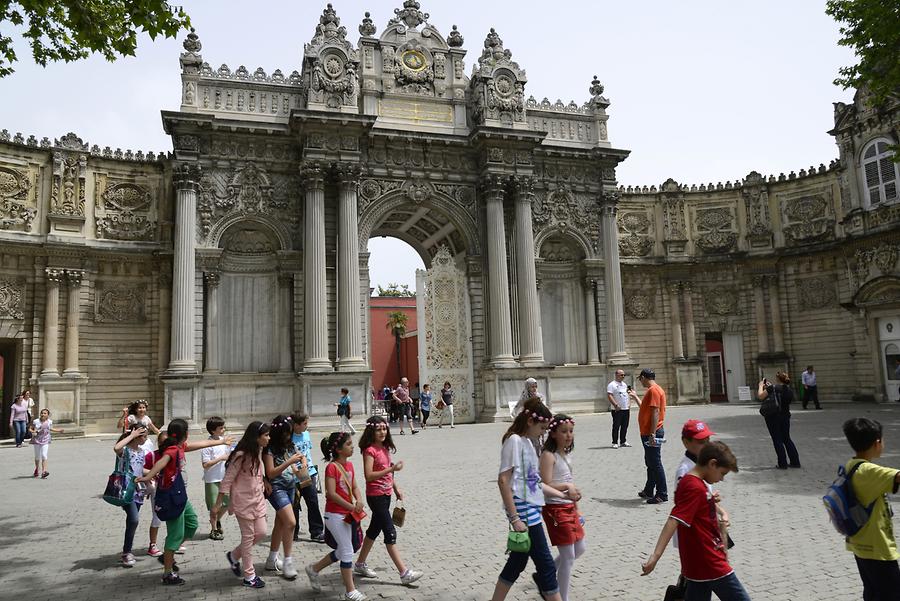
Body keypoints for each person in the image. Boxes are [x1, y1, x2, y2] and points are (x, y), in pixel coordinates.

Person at [641, 441, 750, 601]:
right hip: (710, 561)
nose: (721, 479)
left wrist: (710, 501)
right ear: (712, 464)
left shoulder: (692, 483)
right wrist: (655, 556)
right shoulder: (694, 487)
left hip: (696, 565)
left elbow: (694, 510)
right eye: (722, 473)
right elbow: (673, 520)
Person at [136, 418, 233, 585]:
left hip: (180, 494)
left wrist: (223, 441)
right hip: (171, 496)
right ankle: (167, 573)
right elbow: (162, 462)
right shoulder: (172, 450)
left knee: (192, 524)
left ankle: (169, 555)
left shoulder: (180, 446)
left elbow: (199, 445)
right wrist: (148, 476)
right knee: (175, 534)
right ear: (185, 434)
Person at [491, 399, 567, 601]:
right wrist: (515, 518)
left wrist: (562, 495)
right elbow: (503, 480)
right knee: (547, 566)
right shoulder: (514, 441)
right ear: (530, 421)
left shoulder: (527, 442)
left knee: (517, 563)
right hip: (524, 514)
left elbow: (533, 481)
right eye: (542, 427)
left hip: (531, 509)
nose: (543, 432)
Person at [353, 415, 424, 585]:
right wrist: (392, 469)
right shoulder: (369, 450)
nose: (383, 432)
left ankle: (360, 564)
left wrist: (395, 488)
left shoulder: (384, 448)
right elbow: (369, 476)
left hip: (386, 495)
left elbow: (387, 472)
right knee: (390, 532)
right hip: (375, 496)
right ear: (371, 431)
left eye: (384, 428)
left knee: (373, 531)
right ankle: (404, 573)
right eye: (379, 429)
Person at [665, 419, 729, 601]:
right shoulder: (685, 470)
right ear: (686, 442)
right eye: (700, 442)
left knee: (698, 581)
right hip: (694, 533)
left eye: (707, 440)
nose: (706, 445)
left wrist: (717, 506)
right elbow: (684, 505)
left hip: (706, 530)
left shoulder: (704, 463)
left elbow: (701, 497)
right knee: (697, 577)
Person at [841, 417, 900, 599]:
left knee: (873, 591)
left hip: (860, 544)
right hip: (879, 549)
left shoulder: (851, 465)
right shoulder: (869, 471)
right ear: (877, 443)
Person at [305, 431, 368, 601]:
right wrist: (351, 506)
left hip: (348, 514)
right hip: (334, 515)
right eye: (348, 444)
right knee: (347, 551)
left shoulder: (350, 466)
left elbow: (354, 487)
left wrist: (359, 500)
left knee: (343, 550)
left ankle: (314, 569)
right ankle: (350, 591)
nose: (352, 446)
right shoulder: (331, 467)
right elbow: (331, 494)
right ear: (339, 450)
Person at [219, 421, 272, 589]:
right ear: (256, 437)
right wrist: (218, 504)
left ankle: (234, 556)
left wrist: (264, 481)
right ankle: (249, 576)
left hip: (258, 500)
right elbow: (227, 479)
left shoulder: (258, 450)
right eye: (266, 435)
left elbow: (256, 472)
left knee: (262, 532)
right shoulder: (240, 455)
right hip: (243, 502)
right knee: (248, 539)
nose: (268, 438)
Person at [540, 414, 584, 601]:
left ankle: (545, 576)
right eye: (564, 431)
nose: (568, 435)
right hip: (555, 510)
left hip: (569, 507)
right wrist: (566, 488)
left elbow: (569, 481)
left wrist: (577, 507)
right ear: (553, 433)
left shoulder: (566, 455)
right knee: (568, 557)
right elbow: (545, 484)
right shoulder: (548, 456)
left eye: (571, 431)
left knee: (580, 548)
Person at [263, 415, 304, 580]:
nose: (289, 435)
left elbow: (297, 458)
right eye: (286, 432)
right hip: (277, 488)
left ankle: (272, 559)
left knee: (280, 523)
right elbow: (271, 472)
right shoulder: (269, 449)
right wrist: (290, 462)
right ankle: (288, 561)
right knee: (291, 522)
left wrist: (302, 462)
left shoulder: (289, 445)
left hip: (291, 486)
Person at [113, 425, 150, 567]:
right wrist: (131, 435)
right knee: (134, 520)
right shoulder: (126, 450)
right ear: (136, 436)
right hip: (125, 490)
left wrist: (154, 472)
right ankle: (127, 552)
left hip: (138, 490)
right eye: (144, 435)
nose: (146, 438)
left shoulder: (141, 451)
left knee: (131, 522)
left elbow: (140, 469)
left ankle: (126, 550)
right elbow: (116, 448)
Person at [632, 368, 668, 504]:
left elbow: (655, 413)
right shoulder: (656, 389)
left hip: (651, 432)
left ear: (643, 377)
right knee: (650, 462)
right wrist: (635, 397)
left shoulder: (653, 391)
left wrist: (652, 433)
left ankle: (662, 493)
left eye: (640, 379)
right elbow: (646, 409)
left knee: (655, 463)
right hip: (649, 431)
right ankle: (648, 490)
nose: (640, 382)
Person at [291, 413, 325, 543]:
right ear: (296, 425)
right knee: (294, 505)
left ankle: (316, 532)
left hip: (308, 473)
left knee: (313, 502)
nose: (307, 426)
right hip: (294, 476)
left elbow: (307, 453)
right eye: (304, 423)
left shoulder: (306, 434)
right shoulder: (289, 438)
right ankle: (293, 531)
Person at [757, 371, 801, 469]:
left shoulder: (772, 388)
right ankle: (795, 461)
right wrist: (770, 387)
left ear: (777, 379)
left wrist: (761, 386)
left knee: (777, 439)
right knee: (787, 438)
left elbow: (760, 396)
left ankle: (782, 463)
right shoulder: (789, 390)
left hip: (773, 416)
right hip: (785, 416)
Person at [200, 416, 230, 540]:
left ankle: (217, 520)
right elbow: (205, 464)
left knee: (227, 503)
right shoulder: (207, 445)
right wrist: (220, 459)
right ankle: (214, 529)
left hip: (225, 478)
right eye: (221, 428)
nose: (223, 430)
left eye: (223, 427)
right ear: (213, 431)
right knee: (214, 507)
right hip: (212, 479)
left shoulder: (225, 441)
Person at [145, 431, 168, 558]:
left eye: (166, 442)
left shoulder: (173, 455)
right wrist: (150, 478)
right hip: (157, 490)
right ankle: (152, 544)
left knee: (174, 516)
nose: (163, 445)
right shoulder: (151, 456)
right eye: (161, 442)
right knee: (157, 517)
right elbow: (143, 470)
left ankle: (174, 541)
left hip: (170, 490)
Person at [30, 408, 63, 478]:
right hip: (37, 440)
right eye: (42, 413)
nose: (43, 414)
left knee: (44, 455)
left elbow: (50, 428)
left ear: (48, 415)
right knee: (37, 456)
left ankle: (44, 471)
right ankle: (37, 469)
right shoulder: (36, 421)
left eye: (45, 413)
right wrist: (33, 432)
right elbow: (30, 428)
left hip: (45, 440)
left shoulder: (49, 422)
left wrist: (59, 430)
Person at [607, 369, 631, 448]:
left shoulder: (624, 384)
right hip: (617, 409)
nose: (623, 376)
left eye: (624, 375)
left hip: (625, 408)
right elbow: (610, 395)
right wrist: (615, 405)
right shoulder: (612, 384)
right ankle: (614, 442)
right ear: (616, 375)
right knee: (616, 426)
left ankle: (623, 441)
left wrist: (629, 404)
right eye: (621, 375)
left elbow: (627, 394)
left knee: (625, 425)